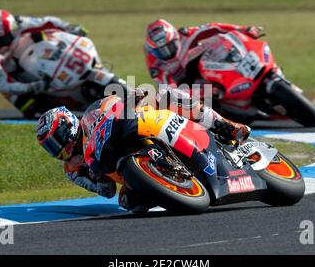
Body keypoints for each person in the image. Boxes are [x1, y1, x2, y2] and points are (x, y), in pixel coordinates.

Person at [36, 87, 251, 213]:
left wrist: (132, 97)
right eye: (51, 147)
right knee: (128, 203)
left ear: (69, 126)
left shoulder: (90, 117)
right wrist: (95, 177)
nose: (59, 149)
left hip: (140, 126)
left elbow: (114, 102)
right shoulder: (72, 170)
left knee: (166, 95)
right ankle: (169, 184)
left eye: (57, 140)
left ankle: (225, 125)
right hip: (127, 170)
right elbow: (106, 191)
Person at [0, 9, 88, 117]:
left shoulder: (20, 23)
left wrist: (68, 27)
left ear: (13, 29)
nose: (3, 42)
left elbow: (47, 21)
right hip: (2, 60)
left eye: (6, 37)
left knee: (41, 35)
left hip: (22, 47)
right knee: (29, 108)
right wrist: (31, 87)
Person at [144, 19, 265, 86]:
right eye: (161, 51)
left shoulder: (185, 35)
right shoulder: (155, 66)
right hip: (187, 86)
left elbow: (213, 28)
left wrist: (243, 30)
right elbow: (170, 90)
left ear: (175, 37)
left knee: (218, 44)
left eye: (170, 47)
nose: (167, 53)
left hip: (204, 67)